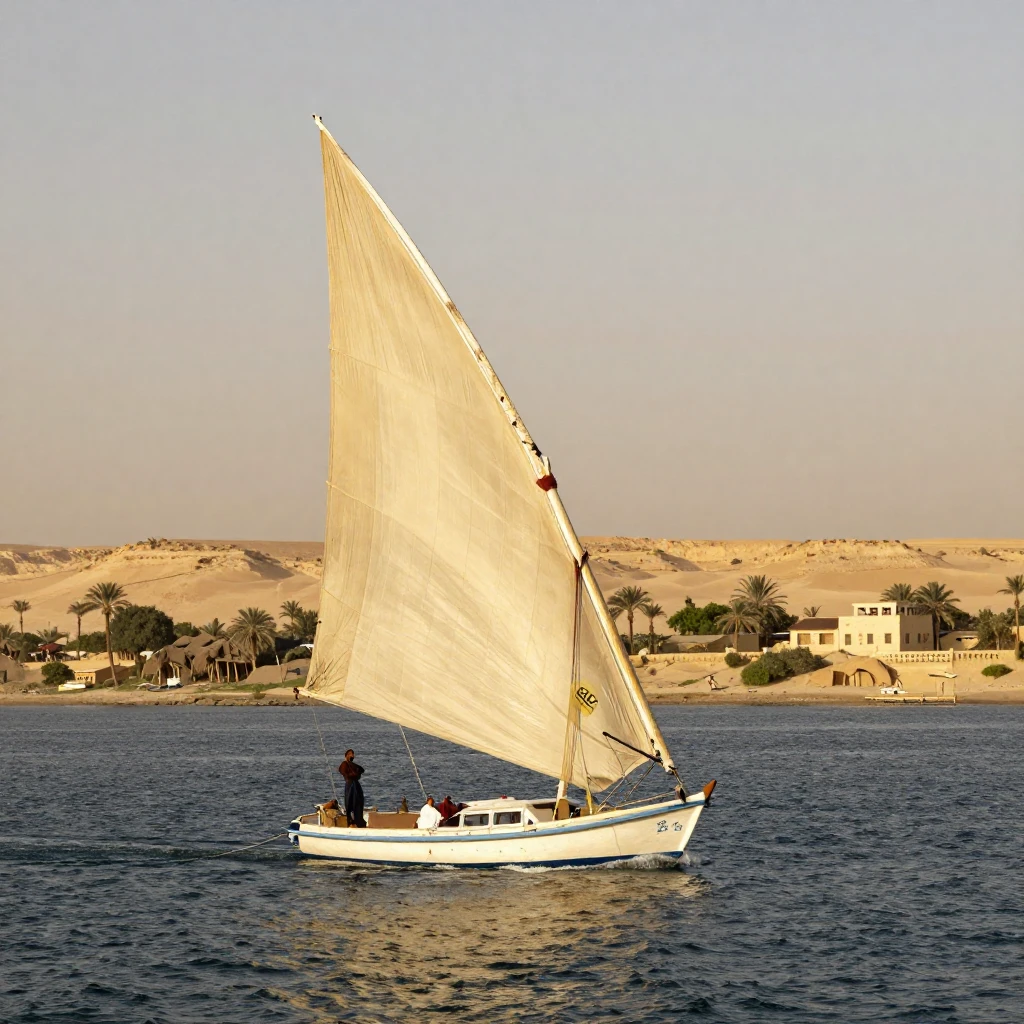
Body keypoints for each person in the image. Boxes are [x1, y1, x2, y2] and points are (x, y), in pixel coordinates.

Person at [338, 749, 366, 827]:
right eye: (350, 754)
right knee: (350, 802)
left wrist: (355, 773)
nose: (352, 756)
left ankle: (359, 820)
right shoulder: (344, 764)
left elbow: (361, 770)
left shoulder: (353, 765)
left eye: (353, 754)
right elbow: (345, 773)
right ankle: (350, 820)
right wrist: (354, 774)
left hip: (356, 785)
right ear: (346, 755)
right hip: (350, 785)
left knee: (358, 802)